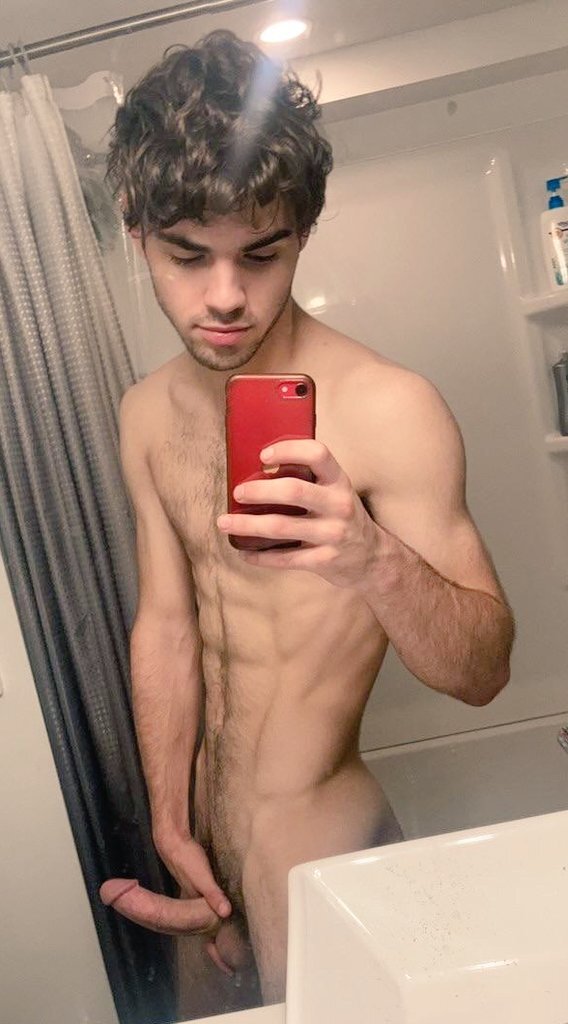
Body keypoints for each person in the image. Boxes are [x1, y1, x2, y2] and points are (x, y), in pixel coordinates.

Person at [99, 28, 515, 1017]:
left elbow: (485, 671)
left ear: (303, 232)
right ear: (135, 230)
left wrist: (370, 558)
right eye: (187, 255)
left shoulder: (388, 407)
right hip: (205, 863)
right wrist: (169, 817)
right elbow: (167, 624)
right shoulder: (144, 413)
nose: (226, 297)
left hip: (324, 852)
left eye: (263, 254)